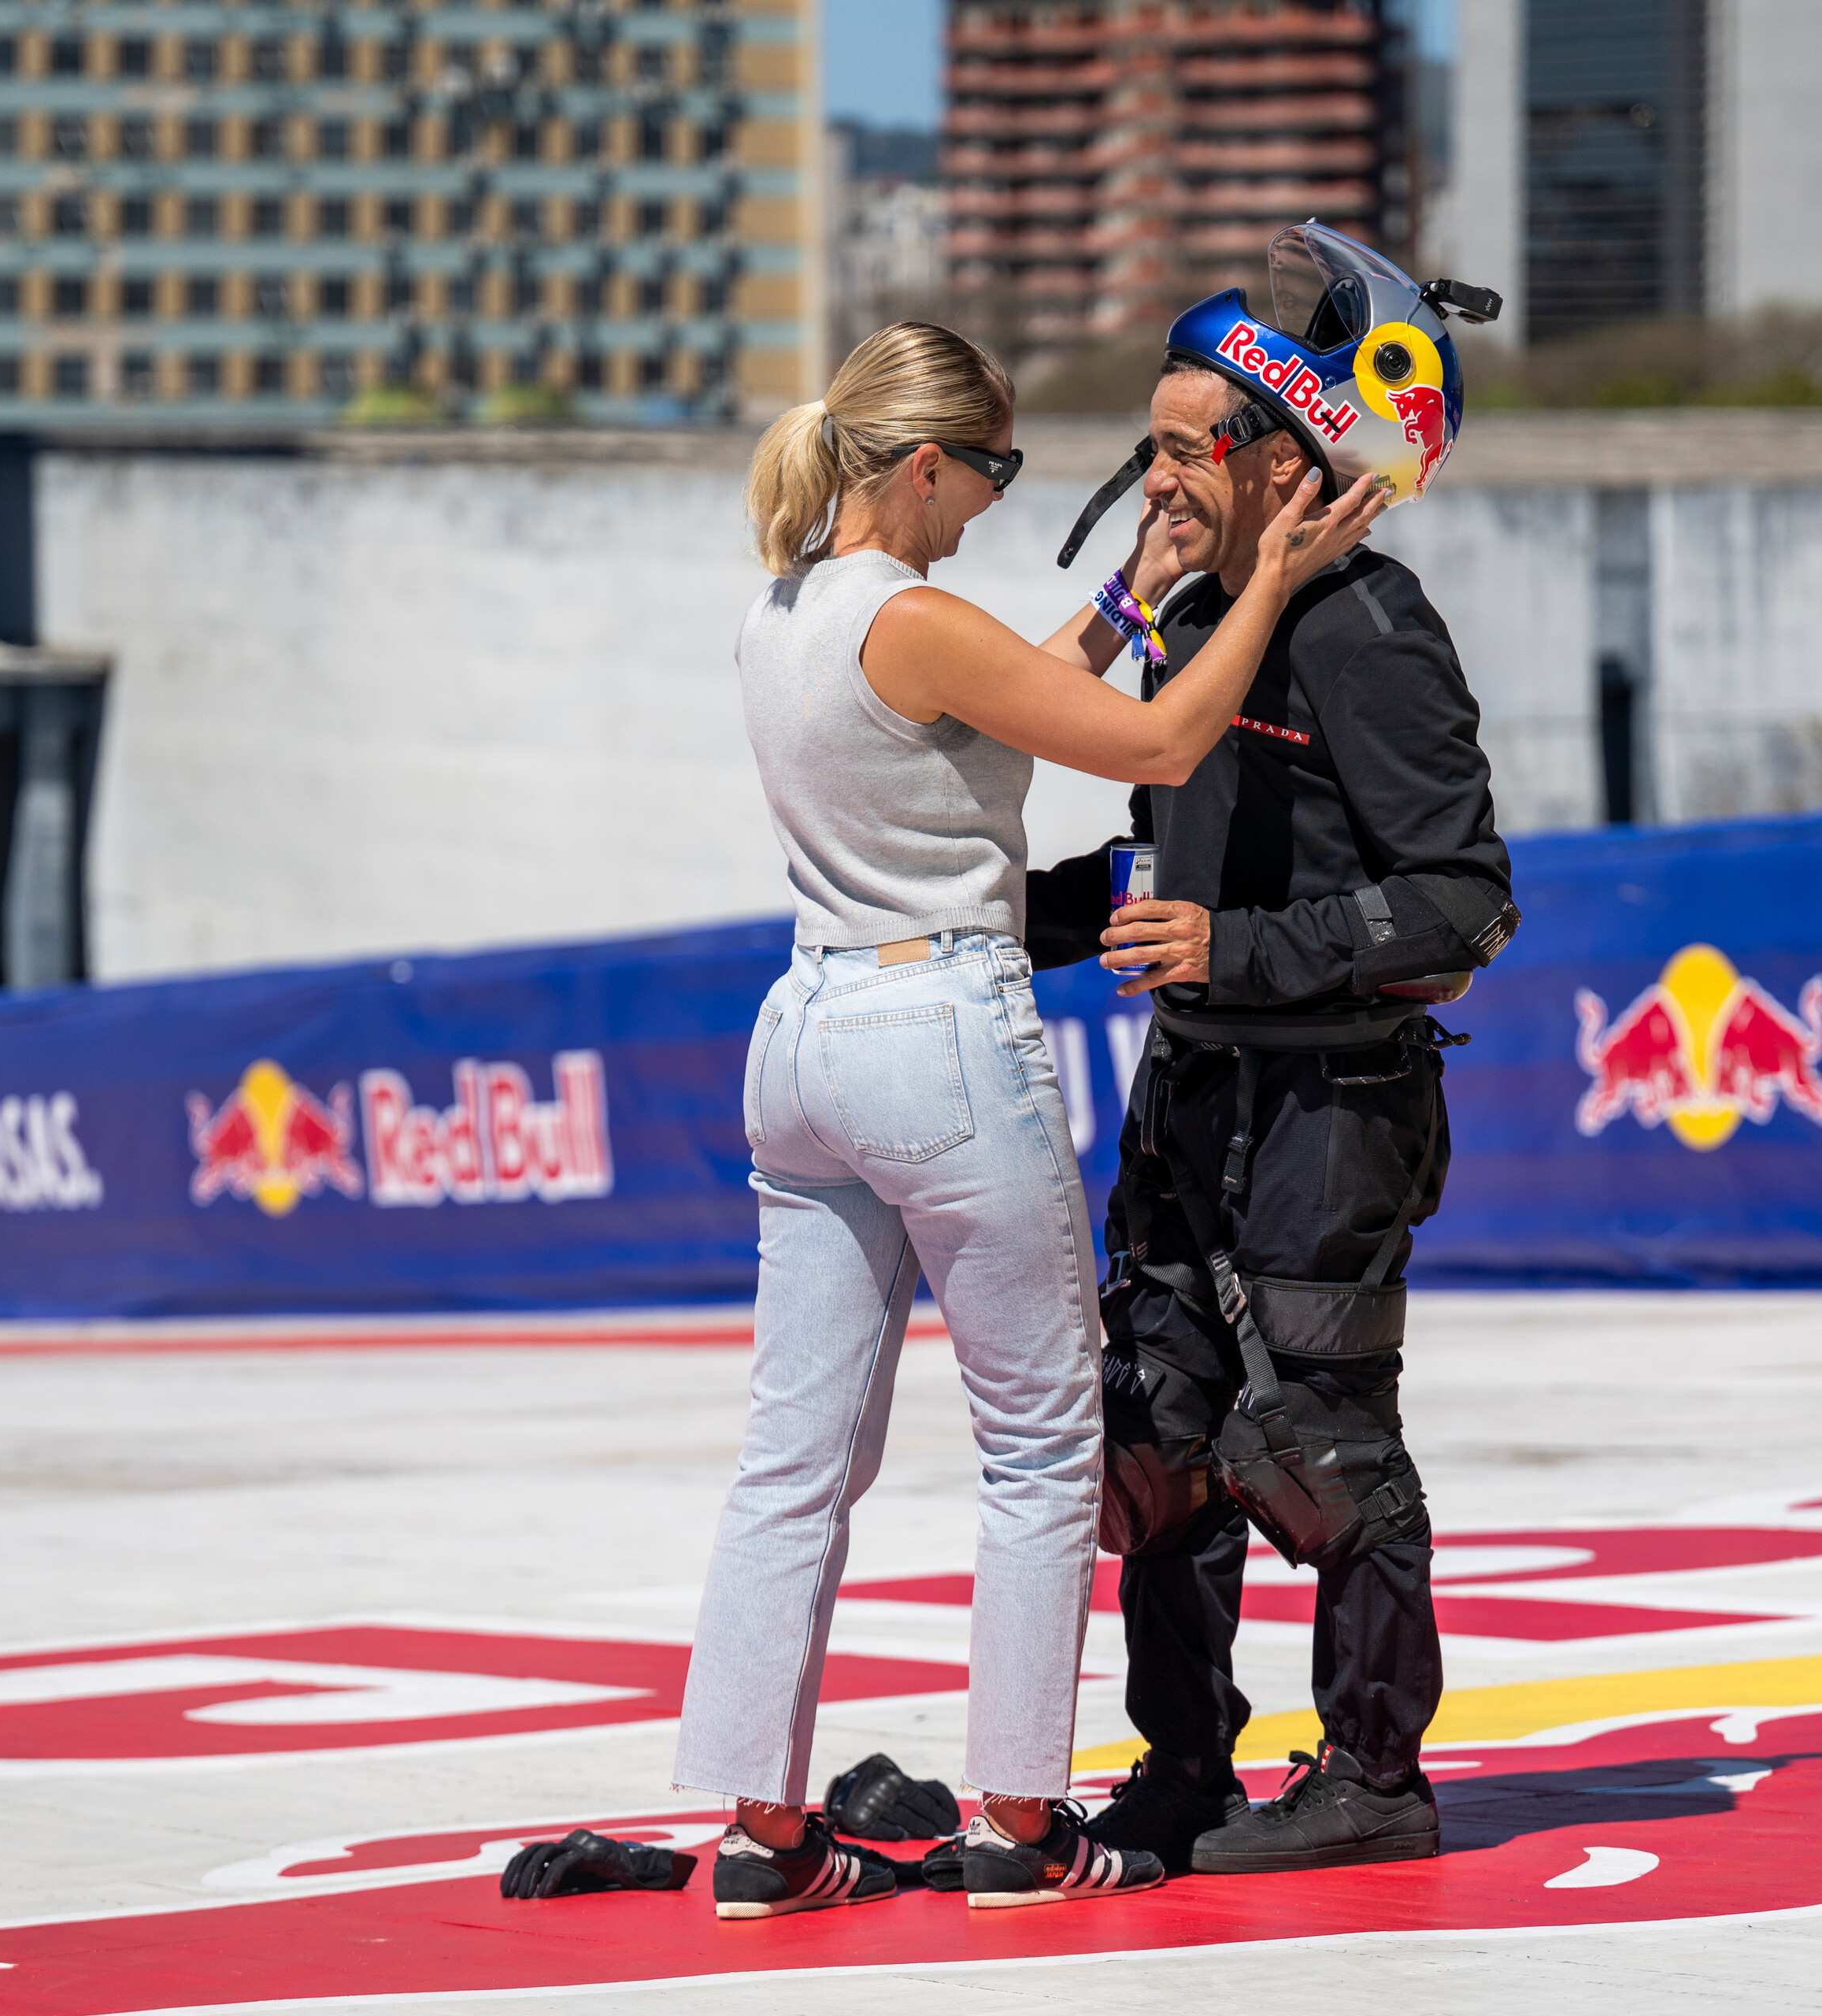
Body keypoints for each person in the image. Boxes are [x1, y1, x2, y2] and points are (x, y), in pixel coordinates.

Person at [672, 321, 1388, 1918]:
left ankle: (763, 1836)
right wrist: (1264, 573)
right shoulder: (911, 614)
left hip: (804, 1031)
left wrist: (1131, 592)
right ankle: (1019, 1819)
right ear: (922, 461)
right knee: (1045, 1440)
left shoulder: (784, 612)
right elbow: (1151, 739)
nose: (998, 497)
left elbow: (1001, 716)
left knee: (792, 1460)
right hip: (936, 1029)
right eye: (989, 468)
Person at [1027, 225, 1518, 1877]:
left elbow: (1463, 897)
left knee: (1314, 1440)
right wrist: (999, 914)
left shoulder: (1368, 626)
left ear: (1272, 456)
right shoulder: (1186, 621)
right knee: (1156, 1441)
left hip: (1333, 1100)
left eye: (1179, 445)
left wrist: (1238, 951)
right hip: (1193, 1088)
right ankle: (1185, 1764)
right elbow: (1185, 850)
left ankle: (1375, 1772)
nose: (1153, 474)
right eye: (1149, 443)